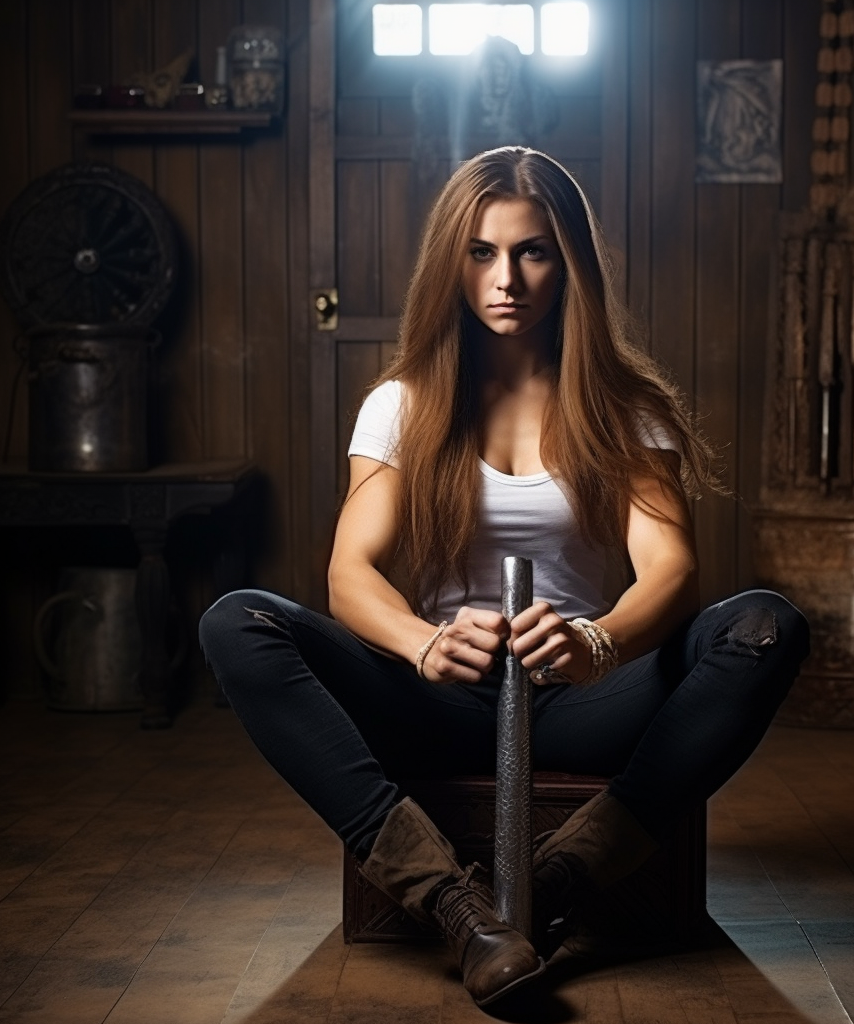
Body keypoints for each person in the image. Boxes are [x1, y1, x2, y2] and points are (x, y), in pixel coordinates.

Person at [199, 146, 809, 1008]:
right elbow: (349, 573)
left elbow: (671, 569)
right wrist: (423, 643)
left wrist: (599, 642)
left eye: (533, 251)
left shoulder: (625, 407)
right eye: (482, 252)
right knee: (236, 622)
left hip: (584, 695)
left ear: (570, 265)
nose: (507, 277)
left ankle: (556, 883)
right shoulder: (402, 405)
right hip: (443, 695)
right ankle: (459, 909)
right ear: (453, 262)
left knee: (765, 625)